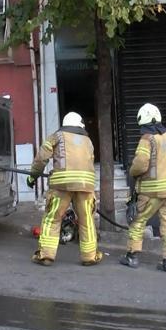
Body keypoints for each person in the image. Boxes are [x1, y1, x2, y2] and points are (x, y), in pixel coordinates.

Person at [26, 112, 102, 267]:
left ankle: (46, 256)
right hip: (85, 186)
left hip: (62, 186)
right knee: (87, 220)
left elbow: (41, 158)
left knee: (53, 218)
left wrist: (32, 177)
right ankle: (89, 256)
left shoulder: (56, 136)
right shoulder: (88, 140)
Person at [120, 103, 166, 274]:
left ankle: (132, 257)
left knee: (138, 221)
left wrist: (131, 171)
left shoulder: (147, 139)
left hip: (151, 190)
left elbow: (140, 164)